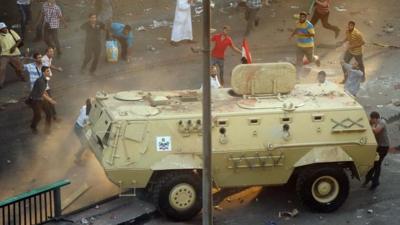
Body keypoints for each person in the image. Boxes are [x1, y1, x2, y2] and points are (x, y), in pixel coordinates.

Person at [364, 111, 390, 190]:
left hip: (384, 147)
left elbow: (376, 131)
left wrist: (370, 126)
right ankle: (369, 179)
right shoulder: (374, 122)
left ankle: (374, 182)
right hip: (379, 146)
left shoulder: (382, 122)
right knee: (374, 163)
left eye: (371, 119)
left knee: (377, 164)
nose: (370, 120)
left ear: (375, 118)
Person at [289, 11, 320, 77]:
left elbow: (312, 34)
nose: (301, 18)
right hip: (299, 45)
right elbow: (296, 29)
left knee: (310, 59)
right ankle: (298, 75)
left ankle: (316, 58)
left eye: (303, 17)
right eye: (300, 17)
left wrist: (304, 34)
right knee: (299, 60)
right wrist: (291, 36)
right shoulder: (297, 23)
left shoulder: (309, 25)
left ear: (306, 18)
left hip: (308, 46)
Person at [28, 66, 56, 134]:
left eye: (49, 71)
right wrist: (50, 100)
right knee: (38, 116)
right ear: (43, 73)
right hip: (35, 100)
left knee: (48, 114)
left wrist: (49, 97)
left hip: (42, 99)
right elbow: (42, 93)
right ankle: (33, 126)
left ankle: (47, 130)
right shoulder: (40, 80)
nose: (49, 72)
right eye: (47, 71)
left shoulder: (45, 79)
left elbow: (44, 90)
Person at [0, 22, 26, 89]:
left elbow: (19, 40)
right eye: (3, 28)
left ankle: (22, 77)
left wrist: (14, 47)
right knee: (1, 68)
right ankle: (0, 83)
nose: (5, 29)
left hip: (14, 53)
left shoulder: (11, 32)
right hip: (4, 55)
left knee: (19, 68)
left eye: (5, 27)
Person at [41, 47, 61, 121]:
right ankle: (54, 116)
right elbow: (45, 68)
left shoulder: (49, 58)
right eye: (50, 52)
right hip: (43, 83)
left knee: (47, 99)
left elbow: (50, 65)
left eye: (53, 51)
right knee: (49, 99)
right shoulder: (43, 60)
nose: (52, 53)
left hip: (45, 81)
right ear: (46, 53)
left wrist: (57, 69)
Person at [74, 98, 92, 164]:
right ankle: (77, 157)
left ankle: (83, 152)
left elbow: (80, 111)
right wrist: (89, 123)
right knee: (85, 144)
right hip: (79, 128)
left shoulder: (84, 107)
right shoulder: (87, 116)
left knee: (85, 142)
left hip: (76, 125)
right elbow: (85, 123)